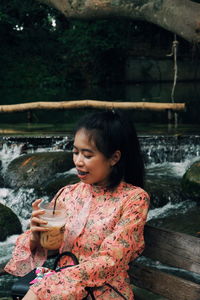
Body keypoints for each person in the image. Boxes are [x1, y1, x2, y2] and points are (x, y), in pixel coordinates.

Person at [5, 110, 150, 300]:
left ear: (114, 158)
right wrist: (36, 236)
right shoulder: (68, 194)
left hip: (103, 292)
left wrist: (50, 286)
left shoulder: (134, 199)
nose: (78, 162)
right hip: (62, 289)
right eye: (75, 152)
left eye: (87, 155)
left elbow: (110, 260)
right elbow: (50, 245)